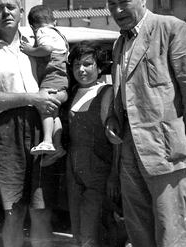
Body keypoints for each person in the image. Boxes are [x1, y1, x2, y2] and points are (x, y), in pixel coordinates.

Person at [0, 0, 65, 247]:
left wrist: (54, 98)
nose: (5, 12)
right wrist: (33, 98)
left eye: (11, 6)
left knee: (41, 209)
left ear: (21, 11)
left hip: (42, 125)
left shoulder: (38, 42)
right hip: (7, 129)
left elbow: (59, 76)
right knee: (14, 210)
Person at [102, 0, 186, 247]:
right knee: (139, 231)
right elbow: (122, 94)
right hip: (129, 152)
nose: (117, 11)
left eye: (123, 2)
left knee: (171, 230)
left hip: (167, 151)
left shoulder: (171, 28)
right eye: (111, 5)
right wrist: (113, 119)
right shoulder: (119, 44)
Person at [66, 42, 121, 247]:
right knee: (78, 231)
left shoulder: (105, 92)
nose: (81, 69)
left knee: (94, 230)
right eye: (76, 65)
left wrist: (114, 175)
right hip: (74, 169)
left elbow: (115, 140)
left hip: (98, 170)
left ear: (99, 68)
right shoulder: (71, 93)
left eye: (88, 64)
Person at [20, 5, 68, 162]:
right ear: (54, 21)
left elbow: (46, 49)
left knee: (45, 109)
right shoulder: (58, 34)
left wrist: (29, 50)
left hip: (51, 78)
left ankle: (47, 141)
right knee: (54, 114)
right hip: (62, 79)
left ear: (33, 26)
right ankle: (58, 146)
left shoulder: (42, 31)